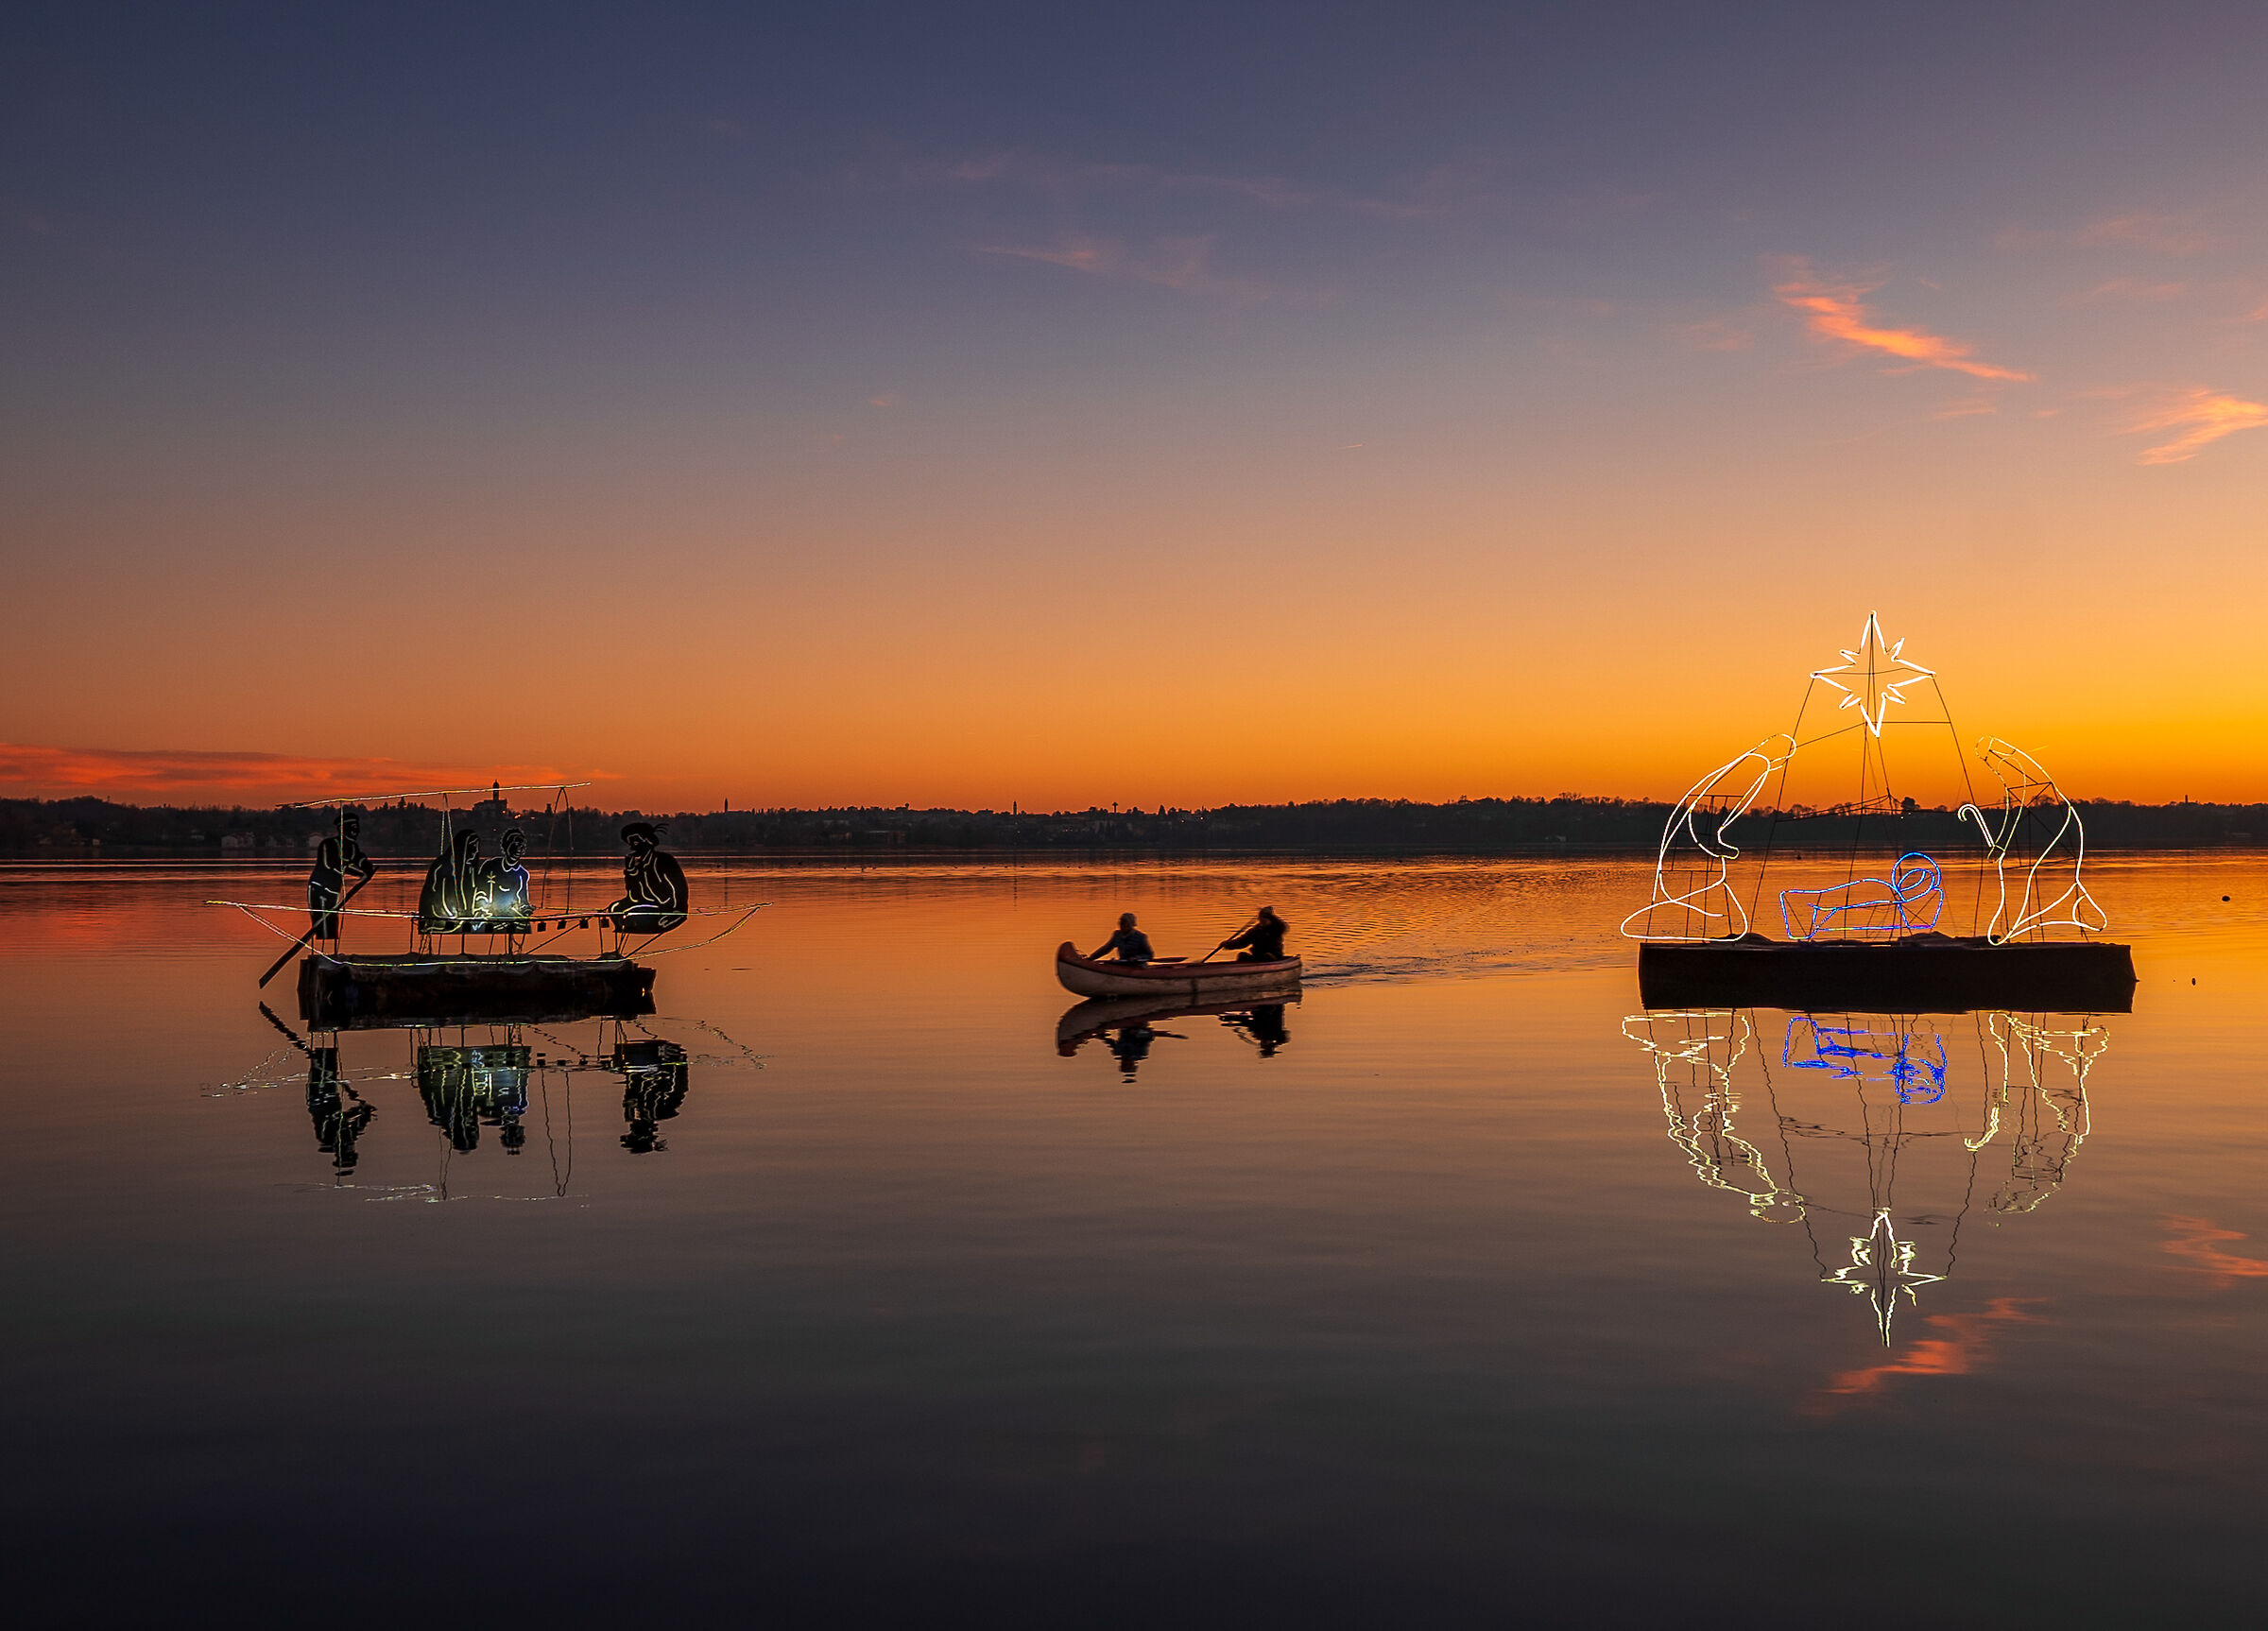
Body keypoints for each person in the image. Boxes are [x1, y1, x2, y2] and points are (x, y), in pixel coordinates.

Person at [305, 810, 376, 943]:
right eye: (352, 828)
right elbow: (333, 864)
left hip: (333, 890)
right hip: (319, 888)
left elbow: (359, 859)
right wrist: (359, 874)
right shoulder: (329, 844)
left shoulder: (353, 847)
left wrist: (367, 867)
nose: (356, 831)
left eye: (357, 828)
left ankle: (331, 953)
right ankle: (320, 953)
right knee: (321, 921)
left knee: (332, 921)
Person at [610, 822, 689, 934]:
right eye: (630, 844)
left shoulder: (664, 860)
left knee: (636, 915)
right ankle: (623, 927)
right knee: (615, 908)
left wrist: (677, 910)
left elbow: (679, 889)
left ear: (649, 841)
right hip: (643, 904)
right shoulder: (636, 863)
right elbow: (633, 896)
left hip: (665, 907)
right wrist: (631, 872)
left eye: (636, 842)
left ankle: (635, 922)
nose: (633, 847)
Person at [419, 829, 483, 935]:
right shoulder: (442, 866)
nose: (475, 851)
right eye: (472, 846)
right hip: (440, 916)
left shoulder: (470, 869)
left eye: (477, 847)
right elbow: (437, 896)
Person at [474, 828, 533, 931]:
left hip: (509, 915)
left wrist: (526, 909)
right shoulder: (490, 866)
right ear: (505, 846)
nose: (519, 848)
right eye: (515, 844)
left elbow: (523, 901)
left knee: (524, 927)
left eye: (522, 845)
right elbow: (479, 891)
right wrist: (482, 908)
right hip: (488, 915)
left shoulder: (522, 874)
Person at [1216, 904, 1289, 963]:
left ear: (1270, 919)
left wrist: (1272, 917)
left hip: (1273, 957)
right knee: (1242, 955)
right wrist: (1227, 944)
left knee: (1267, 956)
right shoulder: (1255, 931)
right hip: (1257, 957)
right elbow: (1242, 941)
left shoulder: (1277, 928)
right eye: (1260, 918)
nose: (1262, 920)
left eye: (1265, 918)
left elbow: (1283, 926)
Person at [1088, 912, 1155, 964]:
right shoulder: (1117, 935)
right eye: (1120, 923)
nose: (1121, 925)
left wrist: (1137, 958)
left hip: (1137, 966)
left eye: (1124, 923)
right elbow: (1105, 949)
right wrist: (1091, 958)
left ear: (1130, 925)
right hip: (1122, 963)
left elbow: (1149, 955)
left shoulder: (1141, 937)